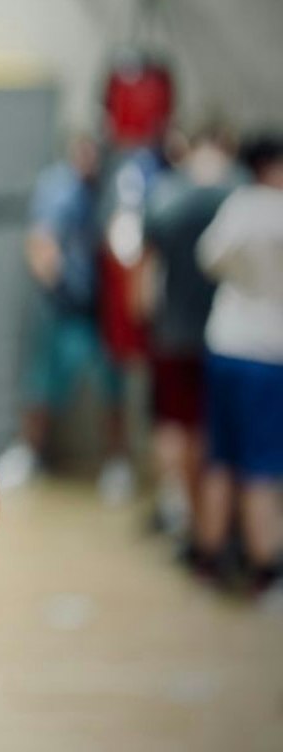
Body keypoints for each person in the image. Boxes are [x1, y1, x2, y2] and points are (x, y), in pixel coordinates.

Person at [0, 131, 125, 489]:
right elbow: (41, 244)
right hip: (62, 307)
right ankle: (29, 453)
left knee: (112, 387)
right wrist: (61, 287)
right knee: (40, 384)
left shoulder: (109, 188)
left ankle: (117, 462)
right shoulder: (57, 187)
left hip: (99, 309)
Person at [191, 132, 283, 601]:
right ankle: (264, 567)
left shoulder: (238, 207)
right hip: (267, 354)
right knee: (262, 464)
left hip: (225, 343)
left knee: (221, 457)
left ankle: (209, 556)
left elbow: (209, 259)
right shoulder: (275, 210)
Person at [139, 123, 239, 544]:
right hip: (227, 337)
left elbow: (144, 281)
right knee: (212, 434)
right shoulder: (241, 194)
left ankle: (178, 508)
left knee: (172, 424)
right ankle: (216, 529)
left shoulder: (164, 196)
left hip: (172, 332)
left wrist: (147, 323)